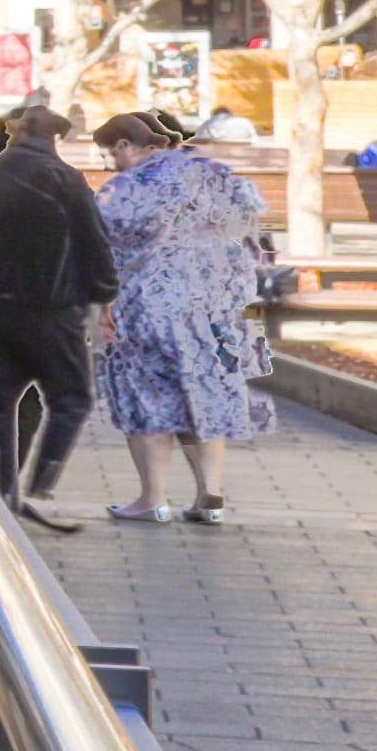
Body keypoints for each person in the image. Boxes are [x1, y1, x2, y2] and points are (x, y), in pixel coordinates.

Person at [91, 112, 279, 527]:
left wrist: (102, 303)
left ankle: (153, 499)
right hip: (215, 312)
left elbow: (101, 247)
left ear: (125, 145)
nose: (109, 164)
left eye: (109, 154)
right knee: (205, 397)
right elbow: (253, 235)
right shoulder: (218, 176)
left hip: (146, 309)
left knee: (147, 399)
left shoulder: (127, 187)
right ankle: (209, 498)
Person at [0, 100, 122, 534]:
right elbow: (93, 242)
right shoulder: (63, 178)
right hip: (49, 309)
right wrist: (105, 293)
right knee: (71, 397)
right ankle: (41, 486)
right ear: (54, 137)